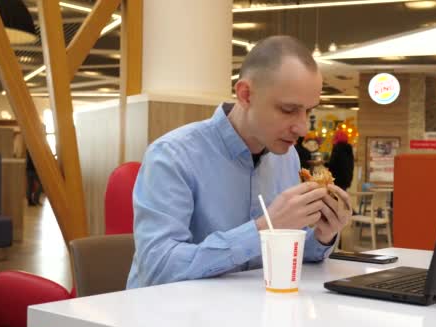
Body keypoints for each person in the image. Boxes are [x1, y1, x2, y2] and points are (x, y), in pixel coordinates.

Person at [127, 36, 352, 289]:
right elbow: (159, 267)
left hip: (247, 313)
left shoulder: (287, 158)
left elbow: (284, 255)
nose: (301, 128)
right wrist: (265, 229)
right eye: (288, 110)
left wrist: (323, 236)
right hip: (165, 318)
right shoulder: (172, 155)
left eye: (309, 111)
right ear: (245, 95)